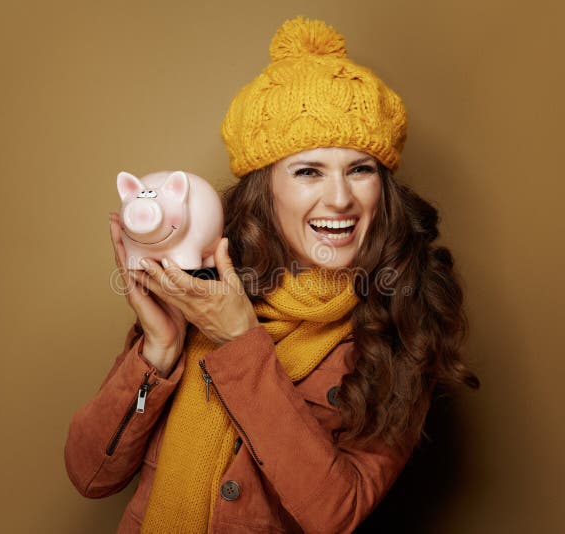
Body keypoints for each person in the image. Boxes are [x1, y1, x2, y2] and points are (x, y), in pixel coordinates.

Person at [64, 16, 479, 533]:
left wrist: (240, 341)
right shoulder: (200, 288)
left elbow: (337, 513)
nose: (340, 198)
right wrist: (159, 349)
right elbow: (90, 474)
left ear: (382, 187)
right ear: (267, 188)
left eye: (360, 168)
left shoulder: (402, 325)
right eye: (308, 171)